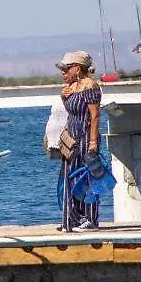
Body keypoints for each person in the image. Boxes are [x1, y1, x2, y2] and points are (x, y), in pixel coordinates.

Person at [54, 51, 102, 232]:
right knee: (69, 178)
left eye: (66, 68)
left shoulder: (90, 86)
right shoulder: (71, 87)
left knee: (86, 178)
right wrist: (63, 96)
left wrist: (92, 142)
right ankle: (71, 218)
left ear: (77, 68)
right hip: (71, 138)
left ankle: (89, 218)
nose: (63, 72)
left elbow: (95, 115)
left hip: (84, 136)